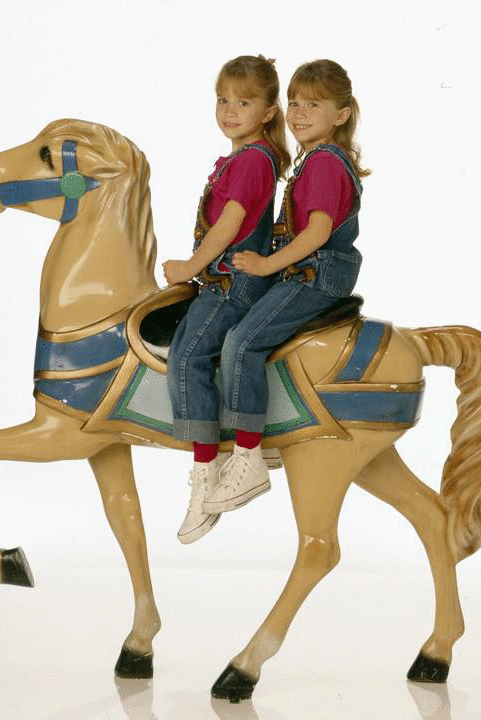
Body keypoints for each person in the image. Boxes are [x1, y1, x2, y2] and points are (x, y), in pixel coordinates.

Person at [201, 59, 370, 515]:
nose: (300, 113)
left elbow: (316, 233)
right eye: (294, 103)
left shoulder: (324, 163)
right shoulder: (315, 160)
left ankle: (248, 455)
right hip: (306, 272)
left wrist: (264, 265)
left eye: (313, 105)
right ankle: (270, 434)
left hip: (314, 276)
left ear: (341, 114)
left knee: (241, 341)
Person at [162, 55, 291, 544]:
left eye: (244, 102)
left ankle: (208, 472)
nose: (230, 111)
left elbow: (230, 226)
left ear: (268, 111)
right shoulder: (240, 159)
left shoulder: (254, 159)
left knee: (187, 356)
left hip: (232, 283)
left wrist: (189, 267)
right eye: (223, 100)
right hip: (221, 280)